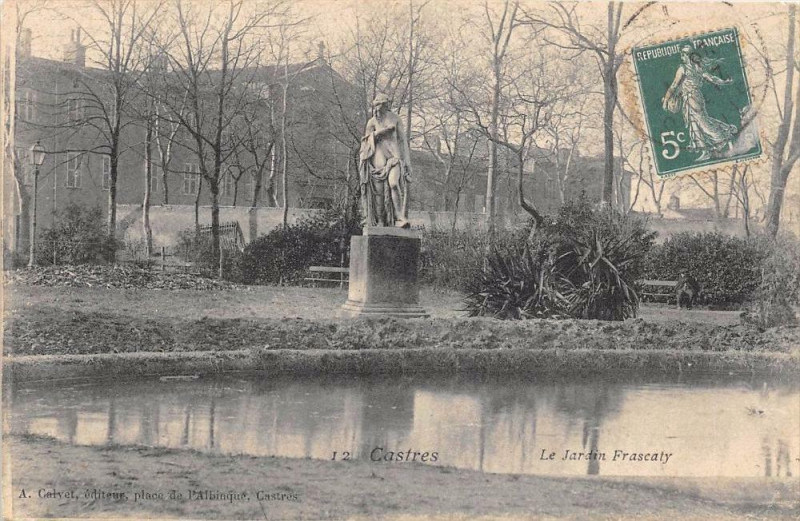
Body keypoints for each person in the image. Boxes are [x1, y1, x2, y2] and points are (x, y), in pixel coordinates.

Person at [662, 46, 737, 161]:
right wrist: (724, 82)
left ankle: (719, 138)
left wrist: (666, 99)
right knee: (700, 120)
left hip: (691, 98)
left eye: (682, 54)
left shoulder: (683, 69)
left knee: (698, 122)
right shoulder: (698, 67)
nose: (681, 57)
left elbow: (674, 85)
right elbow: (712, 78)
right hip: (696, 97)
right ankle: (723, 132)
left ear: (686, 56)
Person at [359, 93, 412, 228]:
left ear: (386, 106)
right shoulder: (372, 122)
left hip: (394, 156)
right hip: (378, 157)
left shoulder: (395, 119)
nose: (377, 110)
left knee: (394, 183)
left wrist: (408, 163)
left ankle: (400, 217)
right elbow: (365, 142)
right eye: (375, 107)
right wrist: (382, 132)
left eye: (380, 107)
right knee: (379, 192)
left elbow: (403, 141)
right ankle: (380, 222)